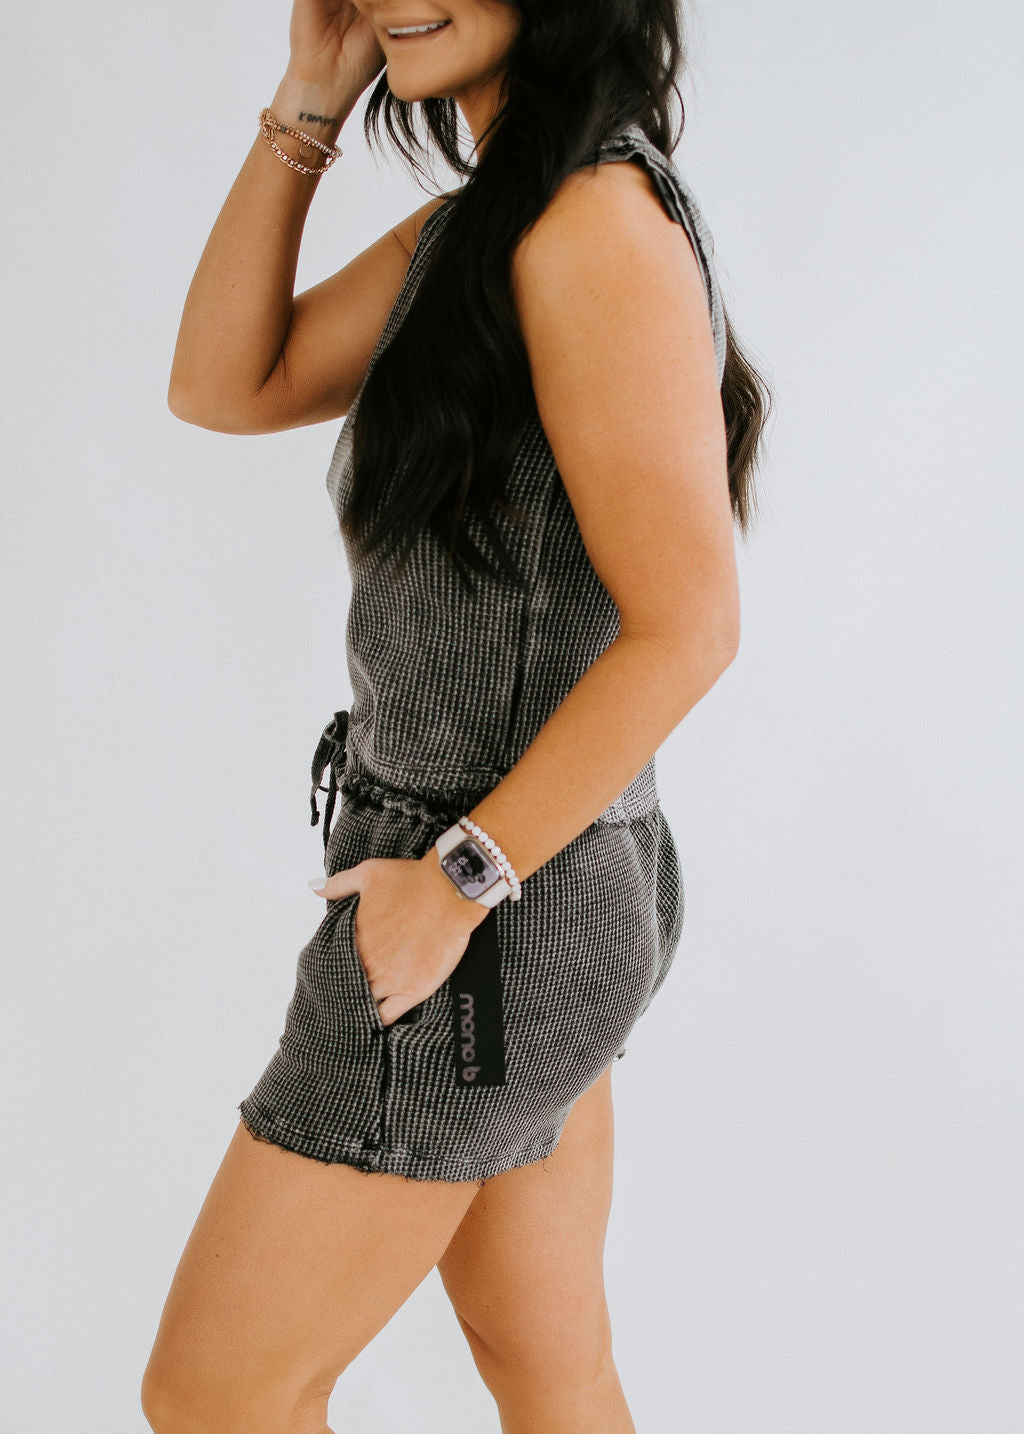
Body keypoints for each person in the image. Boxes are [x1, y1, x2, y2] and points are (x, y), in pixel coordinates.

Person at [142, 2, 771, 1431]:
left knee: (217, 1392)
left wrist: (460, 879)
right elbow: (222, 383)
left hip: (489, 899)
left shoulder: (589, 227)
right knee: (549, 1361)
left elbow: (692, 625)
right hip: (546, 884)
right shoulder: (492, 227)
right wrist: (310, 92)